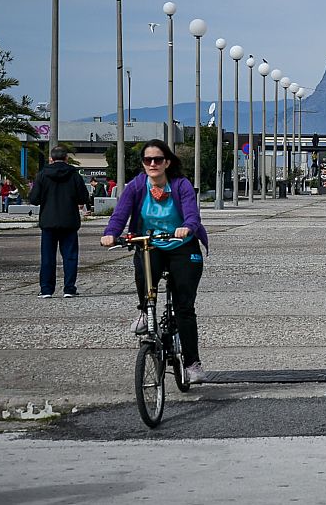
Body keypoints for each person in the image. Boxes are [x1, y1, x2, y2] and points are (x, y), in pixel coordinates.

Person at [100, 139, 209, 384]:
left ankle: (192, 363)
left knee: (184, 308)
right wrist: (110, 233)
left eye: (157, 159)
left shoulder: (181, 185)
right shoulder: (137, 186)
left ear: (167, 162)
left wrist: (187, 227)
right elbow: (121, 213)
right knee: (143, 268)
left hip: (182, 246)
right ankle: (145, 313)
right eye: (147, 160)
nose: (152, 164)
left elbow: (192, 213)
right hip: (151, 244)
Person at [28, 146, 90, 299]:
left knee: (48, 257)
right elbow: (83, 197)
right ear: (66, 158)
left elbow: (34, 199)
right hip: (69, 221)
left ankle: (46, 289)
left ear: (51, 159)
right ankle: (69, 288)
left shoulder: (42, 175)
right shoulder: (74, 175)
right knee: (70, 256)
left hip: (48, 222)